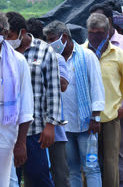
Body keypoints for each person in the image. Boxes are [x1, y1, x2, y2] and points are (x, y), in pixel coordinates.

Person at [43, 21, 105, 187]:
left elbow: (97, 87)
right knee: (72, 169)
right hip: (64, 126)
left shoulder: (87, 56)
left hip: (86, 123)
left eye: (51, 39)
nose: (49, 44)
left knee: (91, 167)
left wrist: (96, 117)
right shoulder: (52, 59)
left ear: (64, 37)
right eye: (47, 40)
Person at [89, 5, 123, 187]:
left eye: (99, 32)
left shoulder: (122, 51)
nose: (95, 37)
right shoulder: (83, 52)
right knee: (90, 160)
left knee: (113, 159)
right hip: (87, 118)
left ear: (107, 29)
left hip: (113, 116)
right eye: (92, 33)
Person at [6, 11, 61, 187]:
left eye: (10, 36)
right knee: (10, 179)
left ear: (22, 32)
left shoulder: (45, 51)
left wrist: (51, 125)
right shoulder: (5, 53)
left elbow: (53, 89)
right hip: (8, 130)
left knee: (39, 178)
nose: (6, 39)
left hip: (35, 130)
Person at [0, 12, 34, 187]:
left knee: (6, 180)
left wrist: (21, 143)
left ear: (5, 33)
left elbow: (26, 107)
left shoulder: (18, 61)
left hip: (6, 132)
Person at [48, 54, 71, 187]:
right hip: (31, 128)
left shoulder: (56, 58)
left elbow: (63, 85)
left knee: (60, 175)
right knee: (36, 174)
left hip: (55, 128)